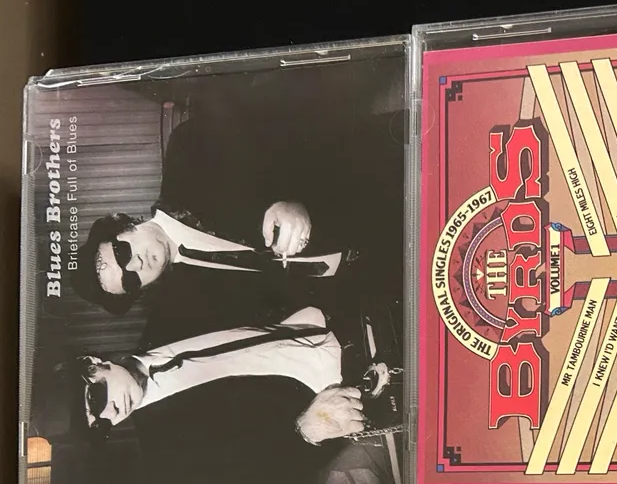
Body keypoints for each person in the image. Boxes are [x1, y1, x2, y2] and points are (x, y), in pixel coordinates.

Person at [70, 113, 401, 342]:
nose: (136, 264)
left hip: (375, 186)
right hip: (379, 278)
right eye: (129, 280)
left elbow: (297, 125)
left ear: (125, 224)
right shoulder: (195, 303)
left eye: (121, 252)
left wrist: (290, 201)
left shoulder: (187, 152)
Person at [69, 306, 399, 484]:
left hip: (359, 317)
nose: (111, 414)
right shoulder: (169, 458)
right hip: (367, 401)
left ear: (92, 363)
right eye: (100, 427)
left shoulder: (170, 311)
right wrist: (304, 431)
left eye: (95, 399)